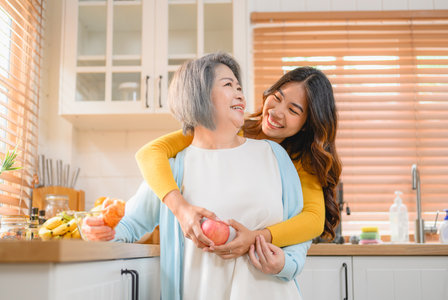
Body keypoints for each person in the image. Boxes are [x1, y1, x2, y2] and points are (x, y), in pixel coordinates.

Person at [82, 53, 310, 300]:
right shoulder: (173, 169)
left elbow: (298, 231)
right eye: (228, 85)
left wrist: (285, 264)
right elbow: (129, 225)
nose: (240, 94)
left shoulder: (274, 155)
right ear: (198, 94)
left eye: (239, 87)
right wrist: (98, 230)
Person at [135, 65, 342, 259]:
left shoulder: (300, 161)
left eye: (293, 110)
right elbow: (150, 152)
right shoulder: (232, 126)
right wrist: (181, 208)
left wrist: (257, 237)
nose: (277, 112)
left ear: (308, 124)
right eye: (277, 97)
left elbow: (313, 219)